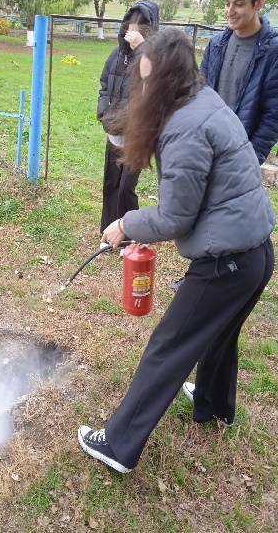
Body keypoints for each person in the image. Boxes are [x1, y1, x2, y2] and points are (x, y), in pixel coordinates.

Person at [78, 29, 275, 474]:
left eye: (146, 82)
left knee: (168, 346)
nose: (141, 90)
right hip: (257, 255)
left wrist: (125, 224)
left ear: (168, 80)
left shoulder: (185, 126)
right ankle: (213, 405)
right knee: (221, 334)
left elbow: (175, 217)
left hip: (227, 262)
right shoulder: (203, 103)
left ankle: (118, 444)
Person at [201, 0, 278, 165]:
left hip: (241, 158)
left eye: (239, 3)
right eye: (227, 3)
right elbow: (198, 97)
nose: (230, 11)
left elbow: (273, 115)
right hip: (207, 150)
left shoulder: (273, 51)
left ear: (259, 2)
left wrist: (248, 160)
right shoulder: (215, 45)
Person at [97, 0, 159, 233]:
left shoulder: (151, 59)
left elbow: (154, 85)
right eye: (129, 29)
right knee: (111, 184)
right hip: (114, 132)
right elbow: (104, 83)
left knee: (125, 188)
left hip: (137, 137)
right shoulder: (117, 55)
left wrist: (142, 48)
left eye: (137, 31)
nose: (130, 34)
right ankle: (108, 232)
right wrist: (105, 111)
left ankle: (128, 234)